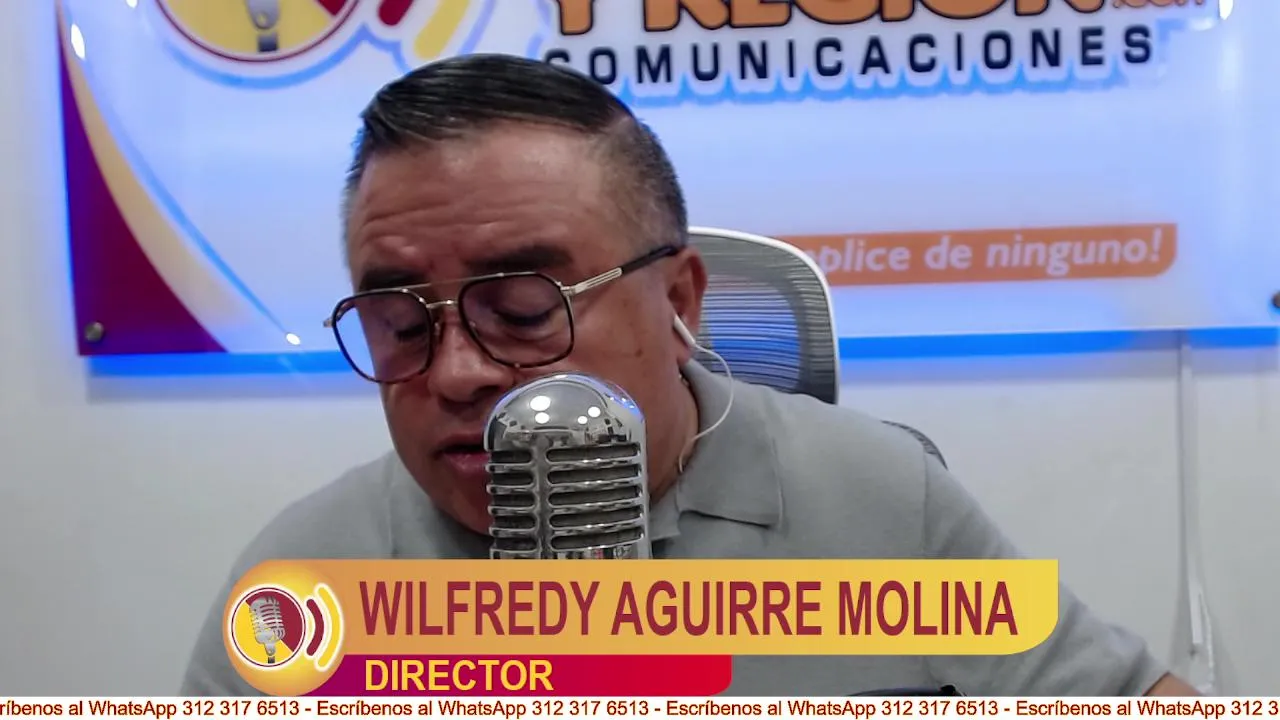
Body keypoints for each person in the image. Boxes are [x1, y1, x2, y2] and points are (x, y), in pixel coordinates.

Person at [180, 53, 1197, 696]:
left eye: (524, 309)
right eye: (400, 323)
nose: (455, 372)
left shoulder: (883, 499)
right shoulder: (304, 585)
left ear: (679, 301)